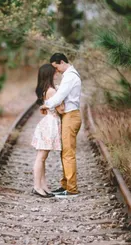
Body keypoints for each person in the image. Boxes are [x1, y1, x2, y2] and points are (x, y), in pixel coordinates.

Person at [41, 53, 81, 198]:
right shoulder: (69, 75)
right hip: (69, 116)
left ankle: (71, 189)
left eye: (56, 67)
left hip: (71, 116)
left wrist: (46, 105)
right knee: (64, 152)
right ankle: (65, 185)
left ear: (62, 62)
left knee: (68, 153)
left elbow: (59, 97)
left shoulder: (70, 76)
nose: (56, 71)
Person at [31, 63, 64, 198]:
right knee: (41, 157)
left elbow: (46, 108)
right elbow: (61, 109)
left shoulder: (47, 89)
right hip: (50, 124)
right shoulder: (52, 90)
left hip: (47, 122)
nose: (56, 73)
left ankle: (43, 185)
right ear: (49, 74)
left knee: (42, 158)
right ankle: (37, 186)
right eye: (54, 72)